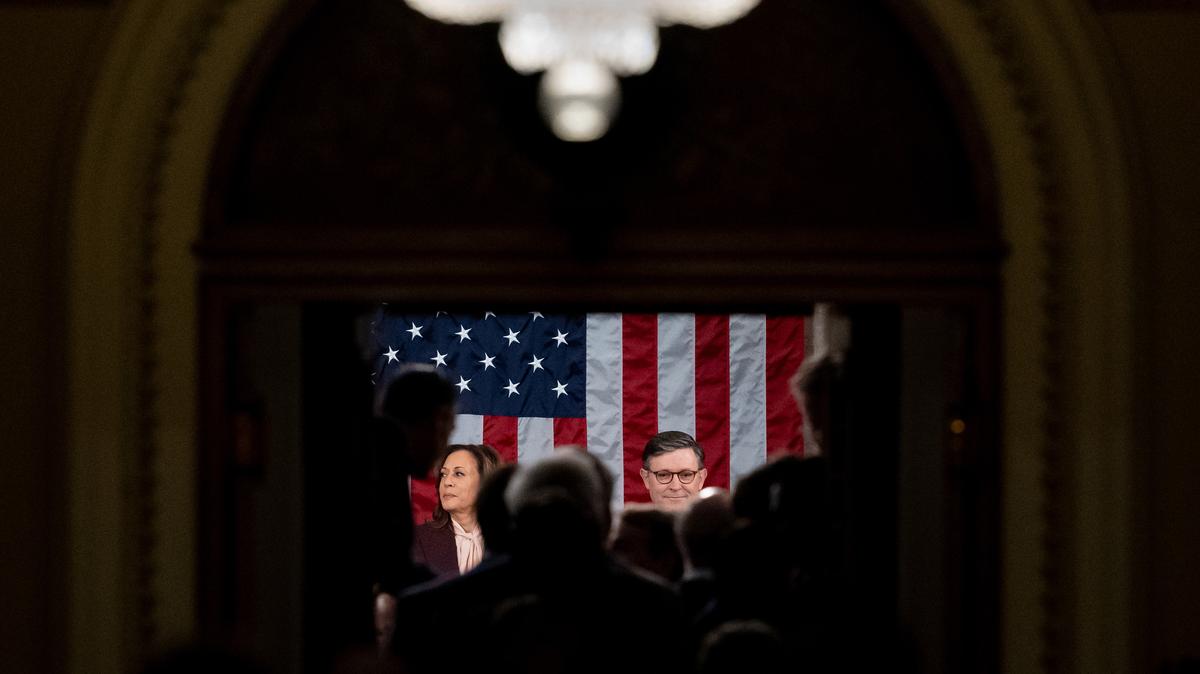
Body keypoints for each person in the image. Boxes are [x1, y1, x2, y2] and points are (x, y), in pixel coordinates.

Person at [370, 365, 456, 654]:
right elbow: (394, 571)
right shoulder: (380, 467)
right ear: (433, 420)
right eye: (447, 423)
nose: (446, 437)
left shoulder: (380, 457)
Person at [411, 443, 500, 578]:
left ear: (486, 482)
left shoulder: (515, 542)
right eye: (443, 474)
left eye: (458, 473)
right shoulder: (417, 539)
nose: (447, 482)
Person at [640, 430, 708, 511]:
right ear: (646, 478)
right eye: (663, 475)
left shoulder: (721, 523)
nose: (675, 487)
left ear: (701, 479)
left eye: (686, 475)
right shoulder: (628, 523)